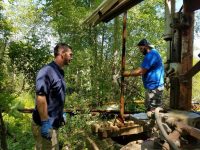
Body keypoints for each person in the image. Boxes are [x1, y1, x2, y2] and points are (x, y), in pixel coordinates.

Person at [32, 43, 73, 150]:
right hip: (45, 125)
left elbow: (56, 96)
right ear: (62, 54)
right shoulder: (46, 71)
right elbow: (40, 97)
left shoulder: (59, 72)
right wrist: (45, 122)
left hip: (54, 124)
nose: (71, 58)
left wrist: (60, 114)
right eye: (70, 54)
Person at [123, 39, 164, 111]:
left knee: (153, 111)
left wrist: (126, 73)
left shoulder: (151, 55)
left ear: (146, 47)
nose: (140, 51)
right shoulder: (153, 53)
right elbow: (143, 69)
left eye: (141, 48)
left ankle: (155, 122)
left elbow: (141, 71)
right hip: (153, 87)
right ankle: (152, 121)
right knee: (150, 109)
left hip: (155, 87)